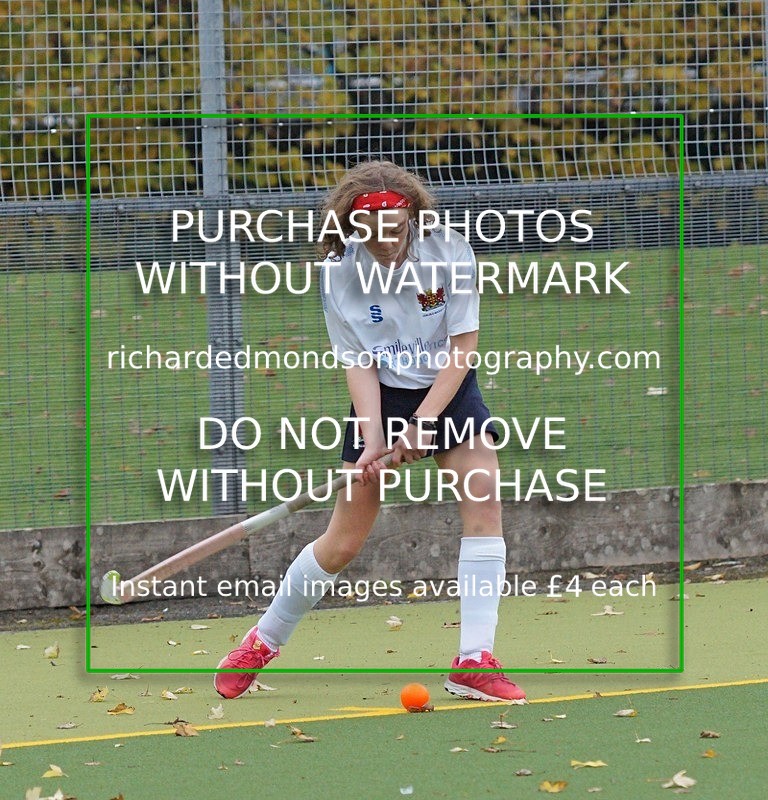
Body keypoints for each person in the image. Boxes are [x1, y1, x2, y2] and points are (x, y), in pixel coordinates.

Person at [214, 160, 526, 703]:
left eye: (396, 230)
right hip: (381, 393)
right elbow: (358, 360)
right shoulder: (340, 271)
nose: (386, 243)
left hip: (448, 386)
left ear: (412, 217)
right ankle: (261, 641)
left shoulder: (449, 250)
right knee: (342, 543)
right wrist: (375, 439)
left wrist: (424, 424)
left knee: (485, 505)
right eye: (373, 234)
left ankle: (474, 660)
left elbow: (463, 347)